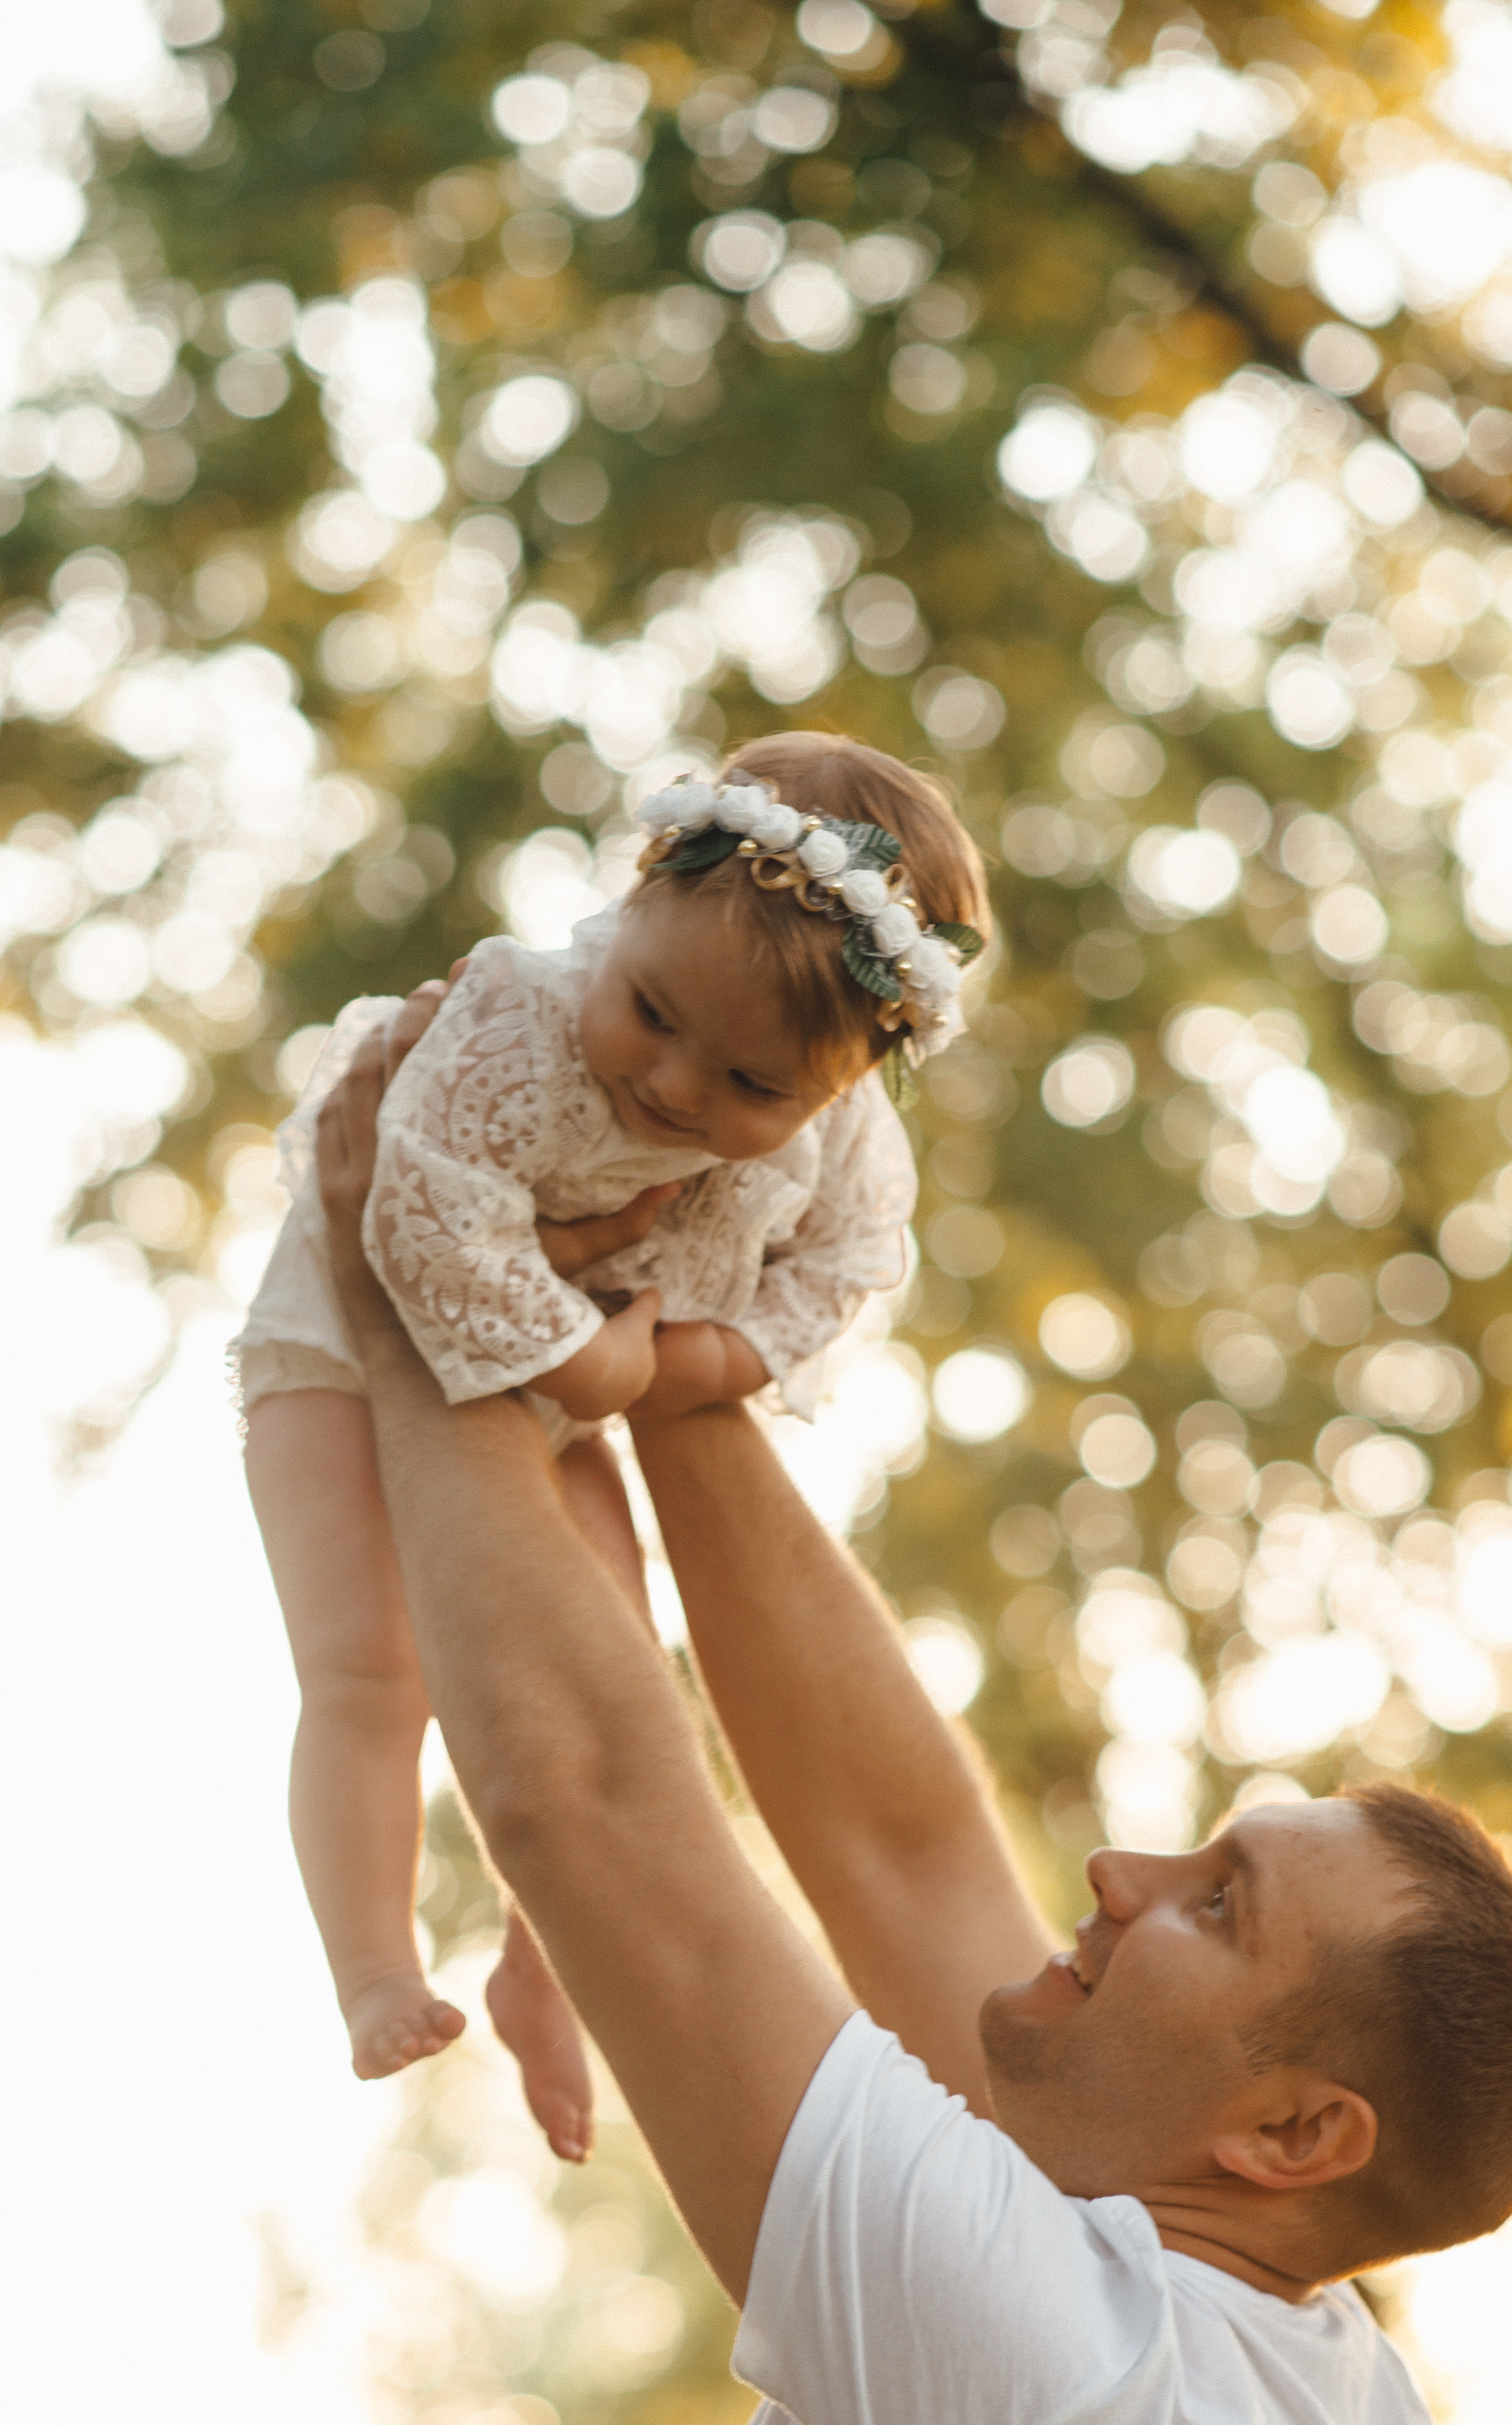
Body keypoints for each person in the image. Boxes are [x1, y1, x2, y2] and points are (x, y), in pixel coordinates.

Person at [304, 999, 1512, 2425]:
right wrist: (677, 1340)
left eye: (1212, 1903)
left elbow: (586, 1804)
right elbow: (902, 1852)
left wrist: (417, 1275)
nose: (1119, 1873)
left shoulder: (1048, 2365)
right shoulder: (1304, 2387)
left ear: (1295, 2130)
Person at [238, 730, 988, 2164]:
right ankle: (374, 1966)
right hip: (347, 1348)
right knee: (369, 1666)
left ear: (845, 1083)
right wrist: (597, 1358)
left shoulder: (841, 1143)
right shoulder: (509, 1020)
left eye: (755, 1086)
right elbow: (415, 1215)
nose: (680, 1090)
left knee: (613, 1680)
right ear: (632, 899)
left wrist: (720, 1356)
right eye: (652, 1013)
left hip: (576, 1386)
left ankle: (544, 1956)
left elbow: (847, 1264)